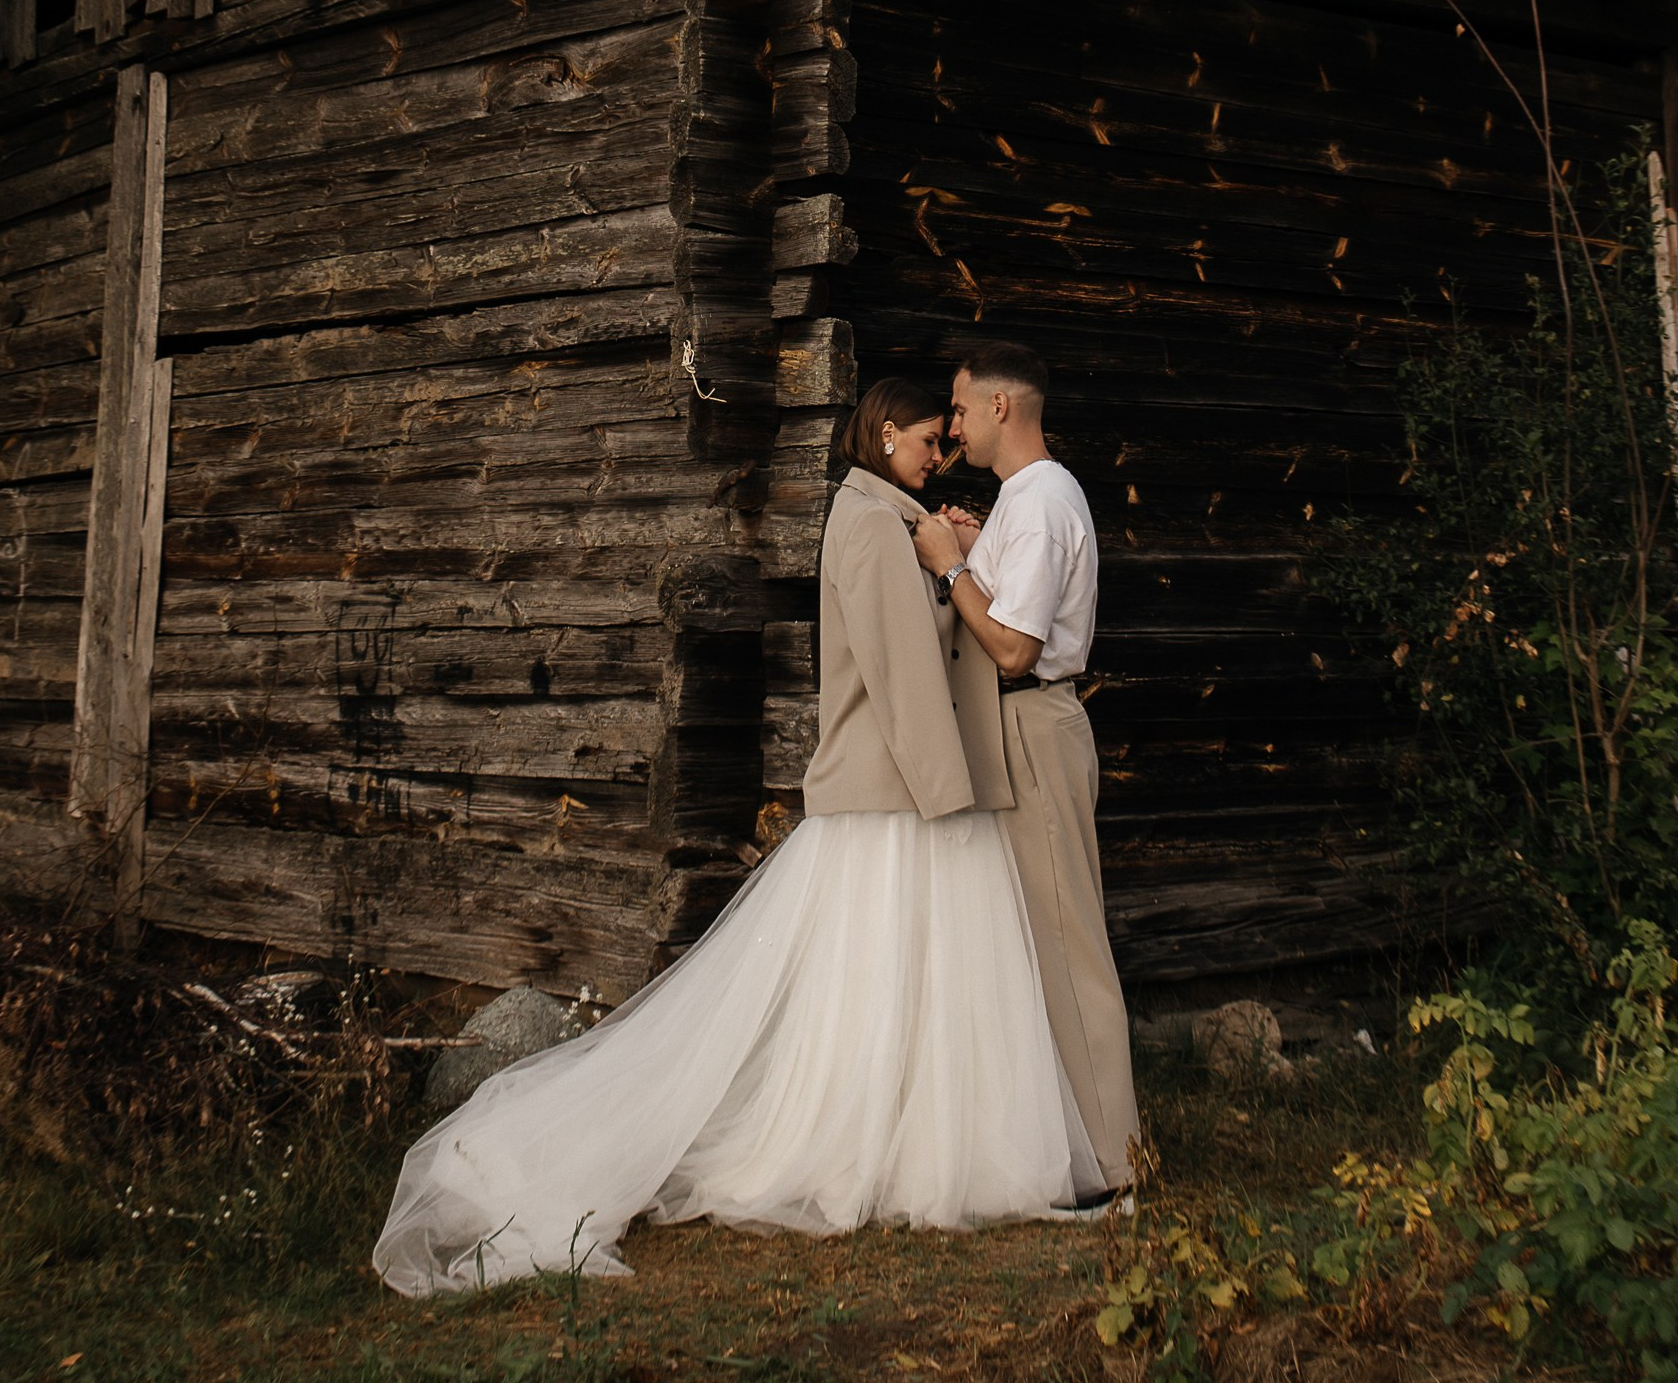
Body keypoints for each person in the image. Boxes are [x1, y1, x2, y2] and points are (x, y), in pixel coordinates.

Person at [372, 374, 1104, 1294]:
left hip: (902, 791)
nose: (939, 454)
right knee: (882, 979)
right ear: (885, 438)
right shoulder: (872, 525)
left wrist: (948, 553)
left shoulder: (886, 519)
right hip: (901, 794)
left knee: (897, 981)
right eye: (928, 440)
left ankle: (908, 1136)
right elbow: (902, 674)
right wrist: (947, 791)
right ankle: (873, 1144)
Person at [910, 341, 1140, 1198]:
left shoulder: (1041, 502)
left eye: (960, 409)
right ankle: (1067, 1148)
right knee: (1035, 943)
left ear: (1001, 406)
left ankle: (1113, 1166)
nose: (953, 427)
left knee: (1066, 943)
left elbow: (1013, 648)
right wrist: (980, 550)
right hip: (1018, 728)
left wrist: (951, 566)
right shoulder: (1024, 500)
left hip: (1034, 725)